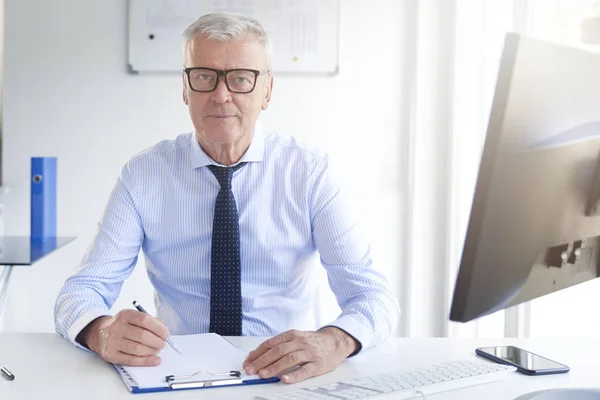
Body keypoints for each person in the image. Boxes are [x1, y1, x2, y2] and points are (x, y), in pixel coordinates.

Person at [54, 12, 399, 384]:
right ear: (185, 88)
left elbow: (374, 298)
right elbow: (79, 292)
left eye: (240, 78)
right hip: (180, 377)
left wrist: (336, 340)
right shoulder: (144, 175)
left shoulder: (310, 173)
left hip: (286, 377)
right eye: (204, 77)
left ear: (267, 91)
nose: (221, 95)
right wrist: (99, 330)